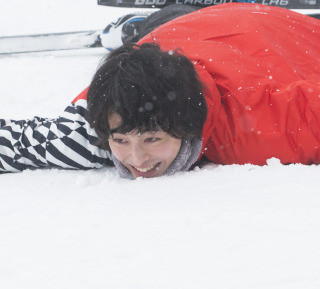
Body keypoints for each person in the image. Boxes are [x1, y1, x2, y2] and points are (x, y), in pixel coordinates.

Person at [1, 3, 320, 179]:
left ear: (185, 125)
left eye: (152, 139)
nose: (136, 160)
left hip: (286, 34)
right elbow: (18, 144)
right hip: (183, 30)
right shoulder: (94, 125)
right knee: (167, 24)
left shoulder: (260, 124)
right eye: (121, 140)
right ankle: (142, 23)